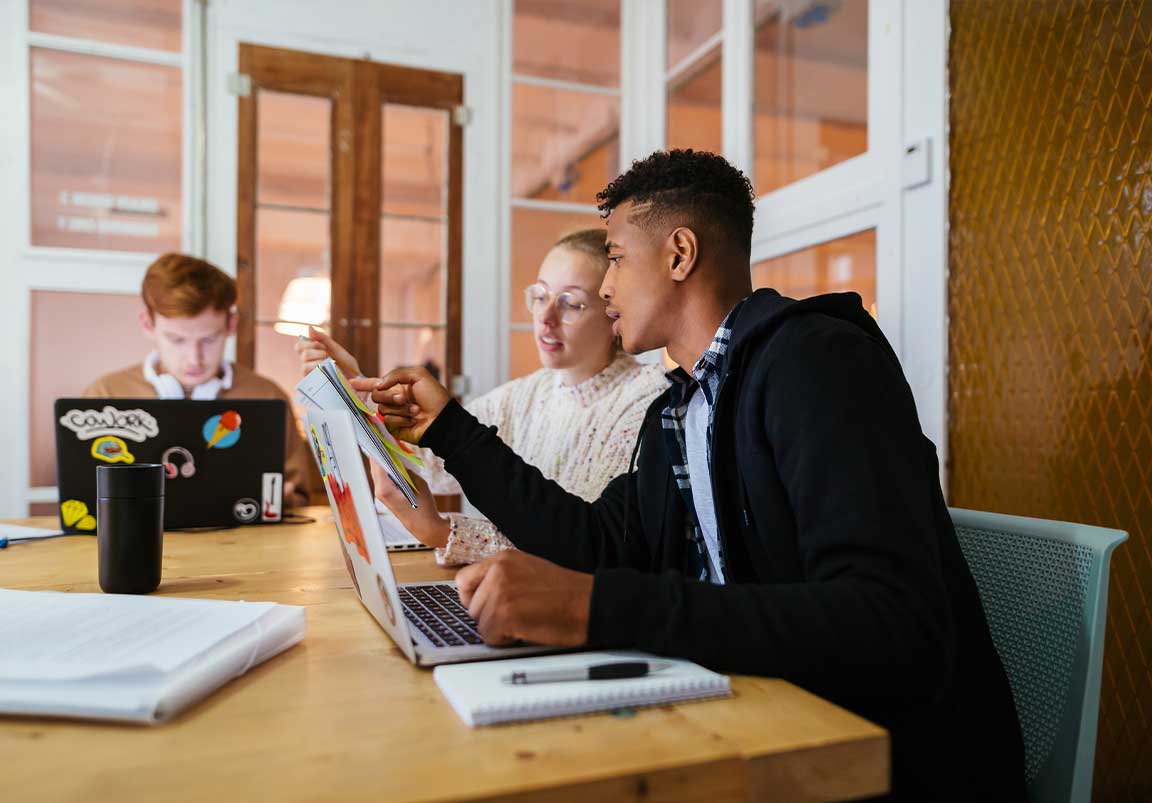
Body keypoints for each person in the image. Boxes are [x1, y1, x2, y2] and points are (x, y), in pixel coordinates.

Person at [364, 151, 1027, 802]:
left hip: (876, 762)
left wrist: (590, 606)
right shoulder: (681, 408)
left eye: (617, 258)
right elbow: (596, 542)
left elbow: (894, 626)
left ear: (680, 254)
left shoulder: (818, 365)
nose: (603, 287)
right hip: (753, 722)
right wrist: (447, 426)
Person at [298, 228, 666, 564]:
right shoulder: (525, 394)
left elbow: (585, 548)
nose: (545, 317)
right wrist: (356, 390)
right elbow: (433, 461)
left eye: (570, 303)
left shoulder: (647, 400)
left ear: (612, 312)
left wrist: (441, 532)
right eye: (539, 296)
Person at [84, 253, 312, 507]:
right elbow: (81, 494)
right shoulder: (105, 395)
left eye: (209, 339)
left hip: (243, 543)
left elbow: (300, 495)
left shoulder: (268, 396)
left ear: (231, 324)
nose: (195, 358)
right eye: (177, 340)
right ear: (147, 324)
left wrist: (287, 501)